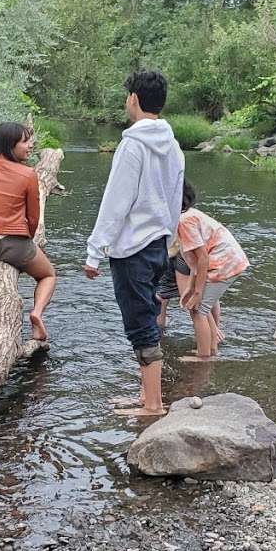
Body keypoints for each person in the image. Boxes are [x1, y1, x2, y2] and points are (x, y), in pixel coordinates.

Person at [84, 69, 184, 415]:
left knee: (141, 325)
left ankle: (153, 405)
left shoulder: (132, 145)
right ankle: (147, 397)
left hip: (132, 249)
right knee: (150, 315)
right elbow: (175, 199)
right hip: (158, 245)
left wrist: (95, 250)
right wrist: (170, 240)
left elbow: (116, 201)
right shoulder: (173, 146)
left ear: (134, 100)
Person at [0, 121, 56, 342]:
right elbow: (33, 217)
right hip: (14, 244)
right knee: (48, 275)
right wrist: (30, 239)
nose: (30, 146)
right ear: (10, 145)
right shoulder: (28, 174)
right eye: (25, 141)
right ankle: (36, 314)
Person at [176, 181, 250, 360]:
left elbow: (203, 257)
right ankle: (211, 350)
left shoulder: (184, 220)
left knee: (199, 309)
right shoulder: (189, 215)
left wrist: (197, 292)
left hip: (224, 263)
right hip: (228, 260)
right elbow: (196, 260)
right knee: (201, 308)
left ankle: (203, 357)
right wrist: (190, 287)